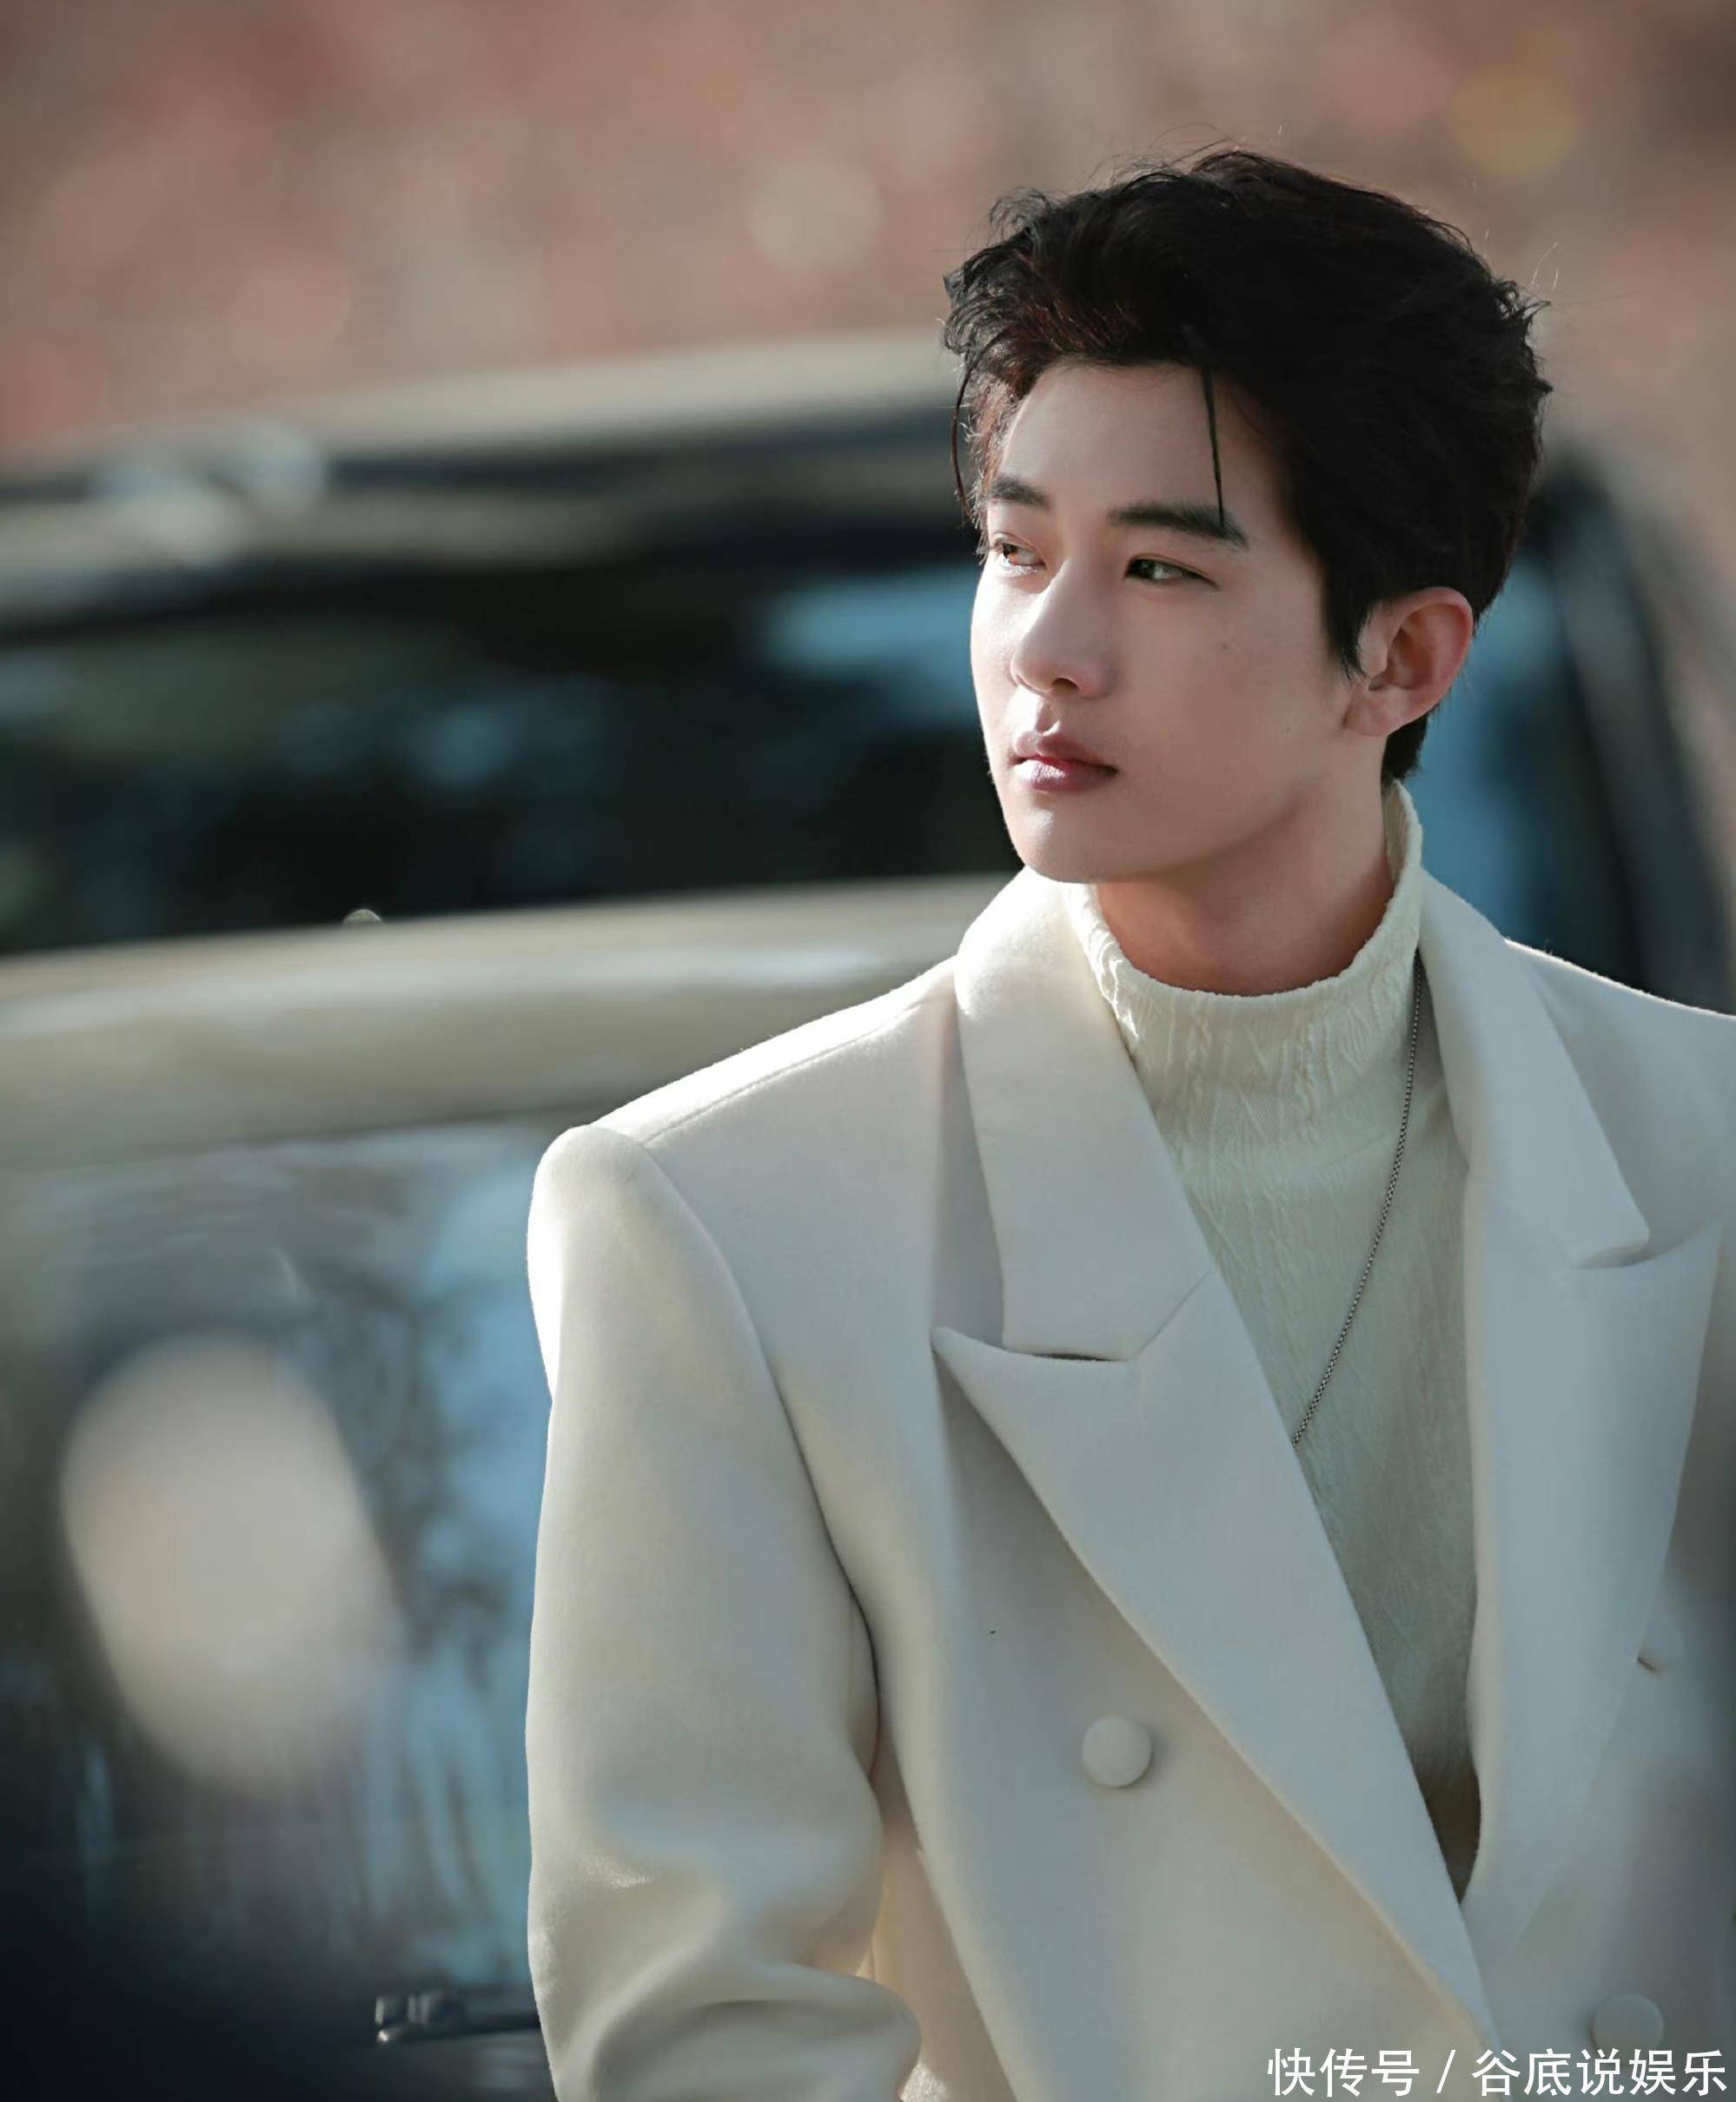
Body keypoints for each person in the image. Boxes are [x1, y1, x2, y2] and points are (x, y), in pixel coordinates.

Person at [524, 147, 1736, 2101]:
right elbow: (706, 2029)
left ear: (1404, 657)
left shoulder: (1700, 1146)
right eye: (1018, 552)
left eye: (1160, 567)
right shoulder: (729, 1222)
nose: (1048, 647)